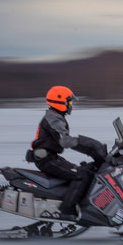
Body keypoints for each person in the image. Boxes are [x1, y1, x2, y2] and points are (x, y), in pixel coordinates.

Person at [26, 85, 107, 220]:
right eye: (69, 101)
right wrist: (90, 146)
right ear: (59, 102)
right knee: (81, 176)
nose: (70, 105)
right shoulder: (53, 119)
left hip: (51, 157)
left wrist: (91, 149)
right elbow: (65, 141)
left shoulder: (55, 116)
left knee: (86, 170)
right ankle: (66, 211)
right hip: (47, 160)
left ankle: (75, 202)